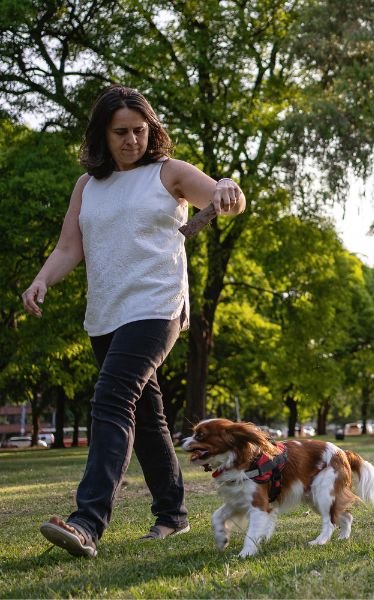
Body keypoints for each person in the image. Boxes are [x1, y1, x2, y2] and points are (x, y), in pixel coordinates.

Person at [21, 86, 246, 557]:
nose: (131, 140)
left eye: (139, 130)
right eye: (120, 132)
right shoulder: (87, 186)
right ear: (102, 135)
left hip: (157, 305)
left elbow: (227, 198)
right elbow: (69, 248)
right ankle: (172, 514)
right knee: (146, 416)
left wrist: (228, 186)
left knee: (111, 398)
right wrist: (41, 280)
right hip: (106, 312)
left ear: (151, 130)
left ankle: (86, 523)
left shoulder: (169, 173)